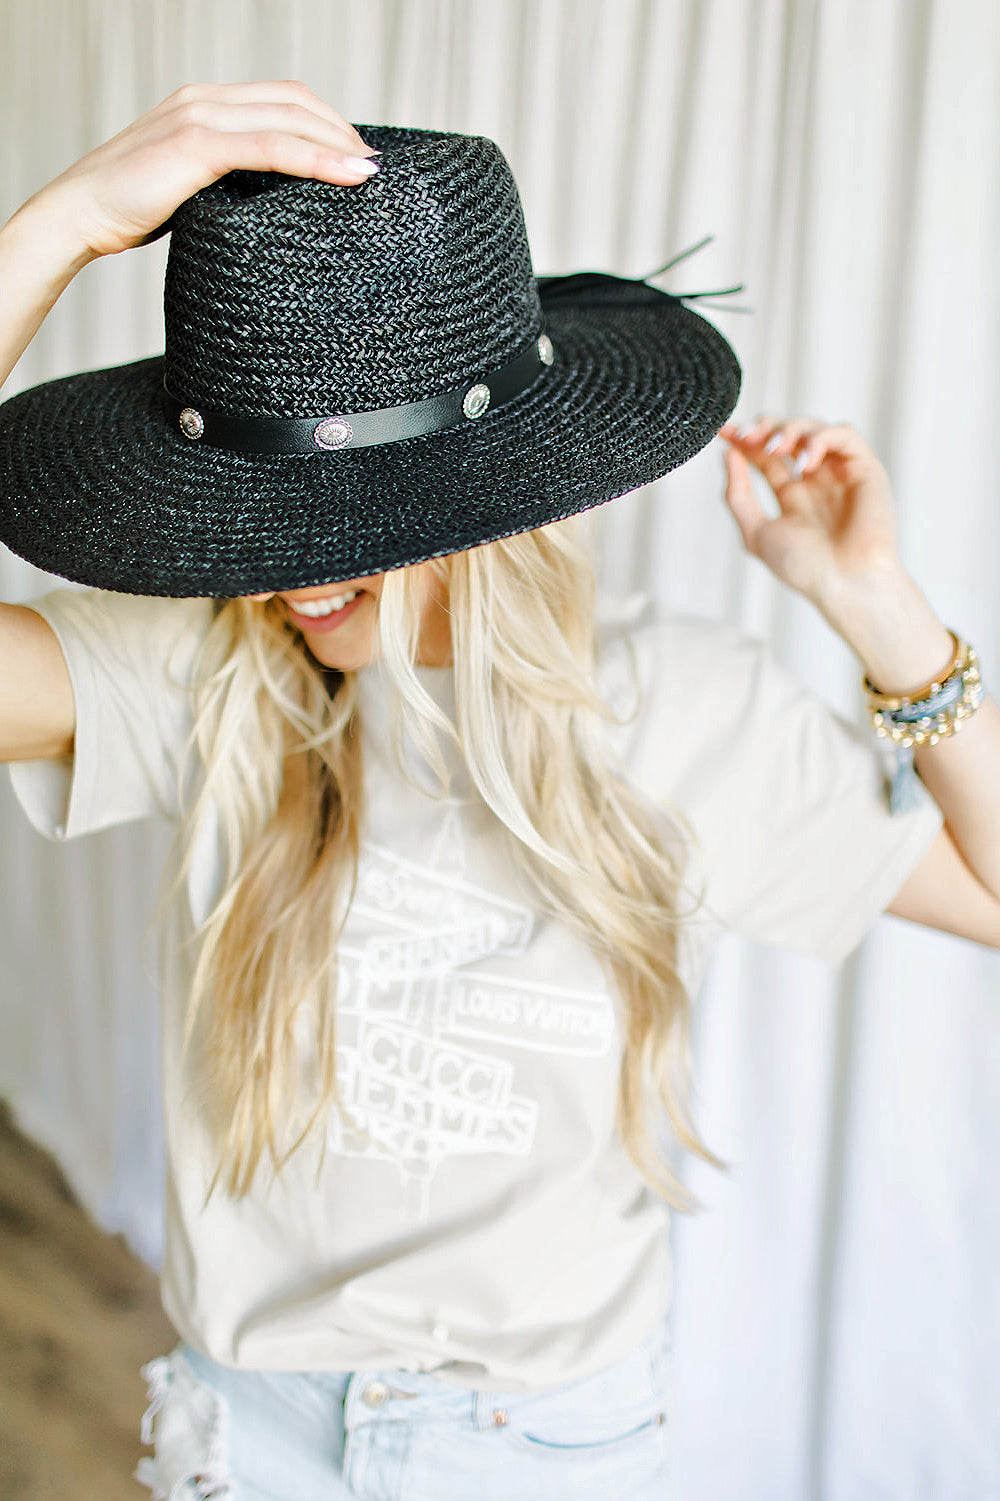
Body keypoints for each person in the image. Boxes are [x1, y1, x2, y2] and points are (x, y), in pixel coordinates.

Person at [0, 81, 997, 1501]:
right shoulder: (217, 675)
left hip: (542, 1452)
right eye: (260, 512)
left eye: (340, 513)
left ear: (479, 487)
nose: (287, 572)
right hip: (249, 1437)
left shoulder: (687, 710)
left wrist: (881, 608)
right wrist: (60, 226)